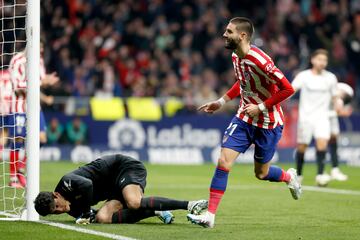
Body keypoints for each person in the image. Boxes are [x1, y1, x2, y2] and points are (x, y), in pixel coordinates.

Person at [187, 17, 301, 229]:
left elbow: (288, 89)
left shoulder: (261, 60)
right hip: (244, 118)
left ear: (242, 36)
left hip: (268, 122)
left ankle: (288, 177)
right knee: (223, 162)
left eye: (229, 31)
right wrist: (221, 102)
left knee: (262, 173)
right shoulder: (235, 56)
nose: (224, 34)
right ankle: (210, 216)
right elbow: (243, 82)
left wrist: (261, 107)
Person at [34, 153, 208, 225]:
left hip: (123, 168)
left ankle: (190, 205)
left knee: (133, 202)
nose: (60, 210)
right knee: (103, 218)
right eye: (55, 212)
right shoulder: (69, 209)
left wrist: (86, 212)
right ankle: (154, 211)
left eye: (56, 205)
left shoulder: (67, 182)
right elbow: (92, 213)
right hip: (114, 189)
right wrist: (90, 215)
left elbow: (87, 185)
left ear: (56, 194)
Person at [8, 45, 59, 188]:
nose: (40, 52)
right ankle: (13, 179)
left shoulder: (39, 61)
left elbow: (40, 83)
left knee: (42, 138)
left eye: (42, 49)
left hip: (35, 106)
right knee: (18, 140)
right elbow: (18, 87)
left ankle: (22, 167)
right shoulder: (17, 60)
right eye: (39, 48)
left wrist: (46, 84)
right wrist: (42, 82)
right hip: (19, 106)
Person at [292, 49, 341, 186]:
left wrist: (338, 105)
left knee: (322, 144)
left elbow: (335, 96)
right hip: (306, 118)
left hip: (322, 117)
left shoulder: (330, 77)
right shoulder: (304, 76)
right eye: (319, 59)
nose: (322, 63)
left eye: (324, 60)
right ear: (313, 60)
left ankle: (320, 175)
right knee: (302, 147)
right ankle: (299, 175)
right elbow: (291, 89)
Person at [328, 82, 354, 181]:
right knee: (321, 141)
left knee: (333, 139)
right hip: (321, 116)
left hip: (331, 116)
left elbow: (339, 109)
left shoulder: (340, 97)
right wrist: (343, 112)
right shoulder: (333, 91)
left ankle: (335, 170)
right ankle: (320, 173)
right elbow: (340, 110)